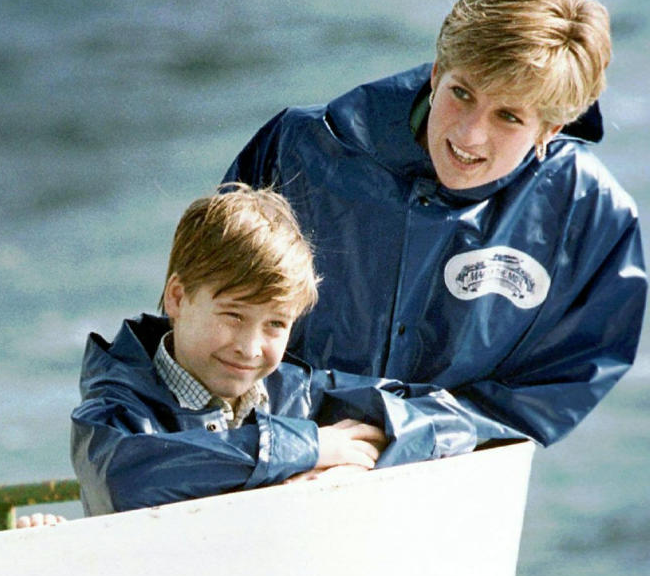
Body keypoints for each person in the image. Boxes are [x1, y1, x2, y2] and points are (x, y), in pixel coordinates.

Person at [222, 0, 647, 454]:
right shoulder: (300, 148)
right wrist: (306, 437)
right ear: (436, 72)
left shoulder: (590, 213)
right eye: (461, 93)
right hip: (278, 450)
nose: (468, 136)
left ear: (550, 127)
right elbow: (212, 311)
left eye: (508, 116)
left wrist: (414, 429)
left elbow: (562, 381)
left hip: (450, 474)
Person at [71, 184, 474, 515]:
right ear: (177, 297)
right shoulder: (114, 409)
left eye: (275, 324)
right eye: (232, 316)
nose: (249, 348)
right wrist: (307, 447)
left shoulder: (297, 395)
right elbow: (126, 479)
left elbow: (452, 421)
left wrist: (349, 467)